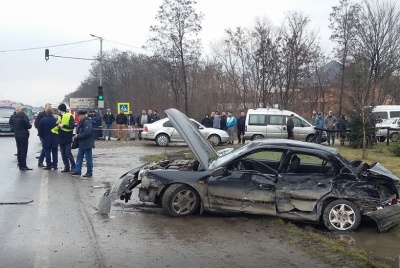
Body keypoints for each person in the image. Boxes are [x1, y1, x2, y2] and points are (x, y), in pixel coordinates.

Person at [70, 110, 94, 178]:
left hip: (87, 142)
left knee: (88, 158)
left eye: (78, 115)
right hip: (82, 142)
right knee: (79, 157)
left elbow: (87, 132)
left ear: (82, 115)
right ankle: (78, 170)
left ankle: (89, 171)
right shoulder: (82, 122)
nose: (78, 117)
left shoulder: (86, 122)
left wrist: (78, 136)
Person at [55, 104, 76, 172]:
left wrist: (63, 126)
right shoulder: (59, 116)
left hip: (67, 137)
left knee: (68, 153)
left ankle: (73, 166)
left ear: (61, 109)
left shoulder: (69, 116)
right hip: (60, 137)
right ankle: (66, 167)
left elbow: (72, 126)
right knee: (63, 153)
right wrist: (56, 124)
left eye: (58, 109)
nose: (58, 110)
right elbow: (57, 125)